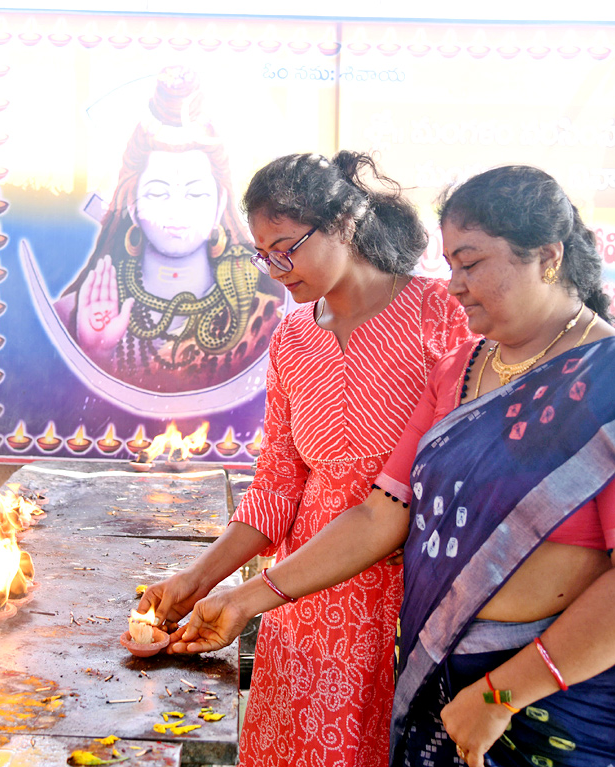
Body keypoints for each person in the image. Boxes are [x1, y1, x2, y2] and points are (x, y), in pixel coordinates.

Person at [169, 165, 615, 767]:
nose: (453, 285)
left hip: (561, 705)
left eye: (469, 264)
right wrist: (241, 600)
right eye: (449, 265)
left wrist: (503, 694)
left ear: (547, 257)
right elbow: (379, 514)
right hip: (438, 682)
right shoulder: (462, 372)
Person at [138, 151, 474, 767]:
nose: (274, 269)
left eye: (286, 247)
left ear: (345, 220)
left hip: (408, 591)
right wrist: (195, 580)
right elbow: (275, 489)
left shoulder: (441, 313)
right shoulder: (292, 338)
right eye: (262, 255)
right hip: (299, 599)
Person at [54, 66, 285, 391]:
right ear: (131, 206)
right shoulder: (73, 316)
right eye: (159, 192)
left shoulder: (270, 319)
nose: (177, 211)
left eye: (195, 192)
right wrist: (97, 352)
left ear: (220, 204)